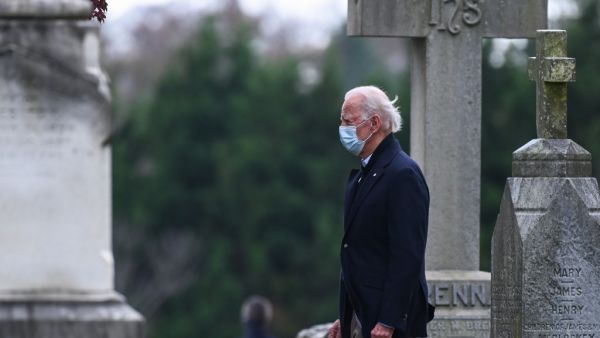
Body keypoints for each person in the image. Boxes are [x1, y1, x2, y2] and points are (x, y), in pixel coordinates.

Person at [328, 86, 434, 338]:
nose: (342, 127)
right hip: (364, 316)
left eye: (348, 120)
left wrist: (388, 320)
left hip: (387, 326)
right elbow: (359, 252)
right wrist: (347, 317)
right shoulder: (364, 175)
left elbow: (407, 254)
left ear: (374, 123)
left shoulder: (402, 174)